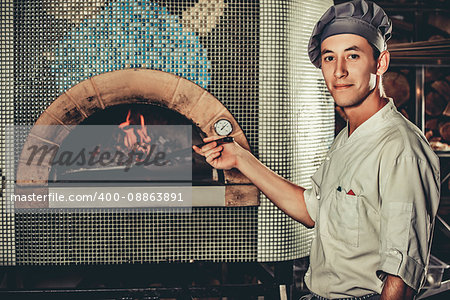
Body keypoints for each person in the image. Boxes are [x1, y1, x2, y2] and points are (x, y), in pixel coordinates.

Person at [193, 0, 440, 299]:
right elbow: (312, 210)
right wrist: (242, 159)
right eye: (328, 58)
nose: (339, 71)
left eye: (353, 55)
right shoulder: (347, 138)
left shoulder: (401, 149)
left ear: (380, 62)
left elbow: (401, 271)